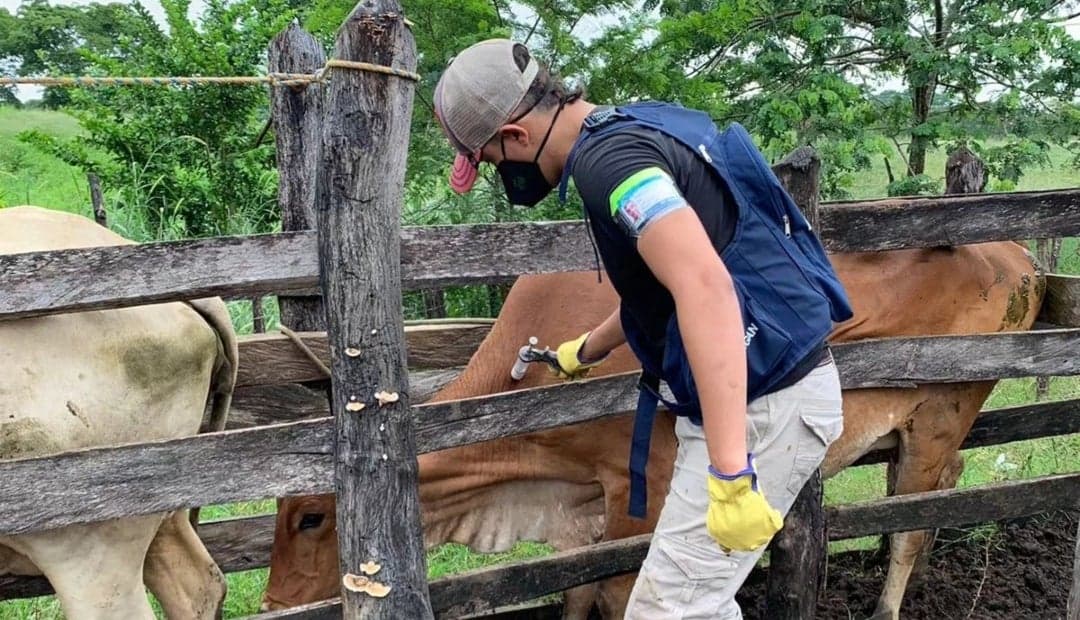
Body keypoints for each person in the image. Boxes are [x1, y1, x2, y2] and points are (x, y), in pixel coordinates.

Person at [433, 38, 853, 619]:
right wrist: (589, 348)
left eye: (491, 163)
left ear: (517, 137)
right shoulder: (634, 125)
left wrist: (730, 471)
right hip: (766, 393)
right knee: (696, 602)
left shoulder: (608, 167)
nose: (499, 176)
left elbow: (704, 285)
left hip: (764, 408)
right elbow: (665, 281)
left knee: (665, 611)